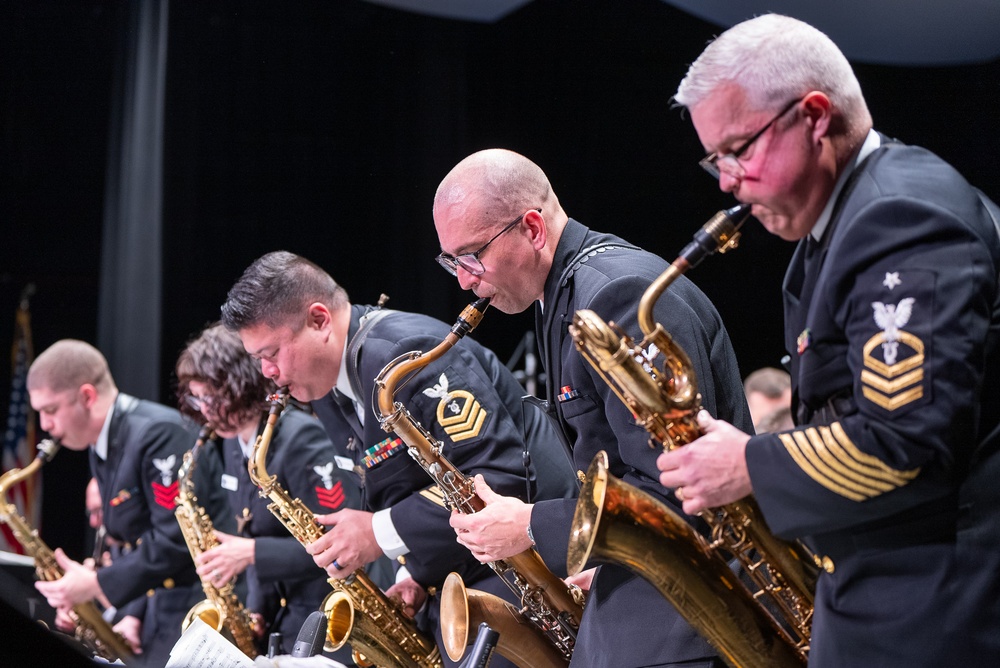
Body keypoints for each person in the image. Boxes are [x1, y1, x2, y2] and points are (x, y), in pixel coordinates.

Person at [658, 14, 1000, 666]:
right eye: (716, 161)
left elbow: (907, 444)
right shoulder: (845, 225)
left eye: (739, 150)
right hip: (892, 600)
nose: (728, 181)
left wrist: (747, 465)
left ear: (814, 116)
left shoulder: (901, 216)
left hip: (935, 615)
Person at [432, 148, 752, 668]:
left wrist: (533, 525)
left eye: (472, 256)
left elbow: (679, 488)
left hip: (688, 611)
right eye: (451, 263)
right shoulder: (562, 295)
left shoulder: (614, 295)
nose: (465, 280)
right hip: (656, 585)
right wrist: (597, 555)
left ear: (532, 228)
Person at [219, 250, 576, 667]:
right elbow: (409, 483)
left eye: (271, 353)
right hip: (469, 569)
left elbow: (501, 475)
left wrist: (377, 532)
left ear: (319, 321)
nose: (266, 373)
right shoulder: (326, 386)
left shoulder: (404, 353)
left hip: (535, 571)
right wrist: (412, 575)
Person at [28, 339, 230, 667]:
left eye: (50, 410)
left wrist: (94, 585)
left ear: (87, 396)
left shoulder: (157, 433)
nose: (45, 425)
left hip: (197, 612)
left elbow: (175, 539)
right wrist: (131, 614)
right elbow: (132, 537)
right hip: (158, 608)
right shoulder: (104, 441)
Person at [175, 322, 367, 662]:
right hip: (282, 619)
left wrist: (251, 553)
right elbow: (257, 529)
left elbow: (339, 545)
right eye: (197, 398)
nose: (204, 409)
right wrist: (256, 611)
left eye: (212, 397)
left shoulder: (301, 439)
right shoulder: (235, 444)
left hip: (325, 621)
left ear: (241, 384)